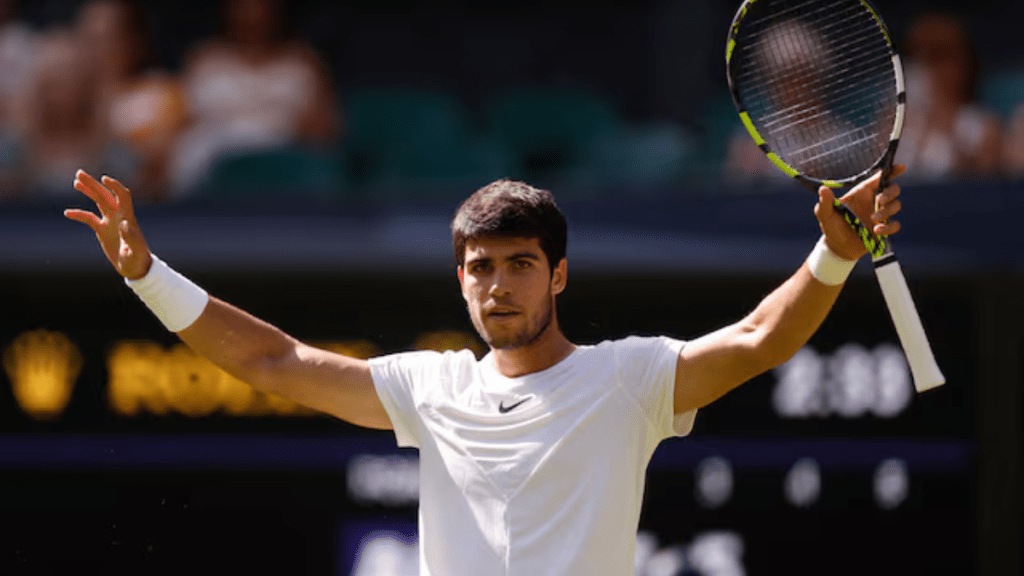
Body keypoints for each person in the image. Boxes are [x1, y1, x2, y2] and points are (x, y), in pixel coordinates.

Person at [64, 165, 904, 575]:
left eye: (520, 264)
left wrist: (832, 255)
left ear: (559, 275)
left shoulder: (629, 380)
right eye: (481, 268)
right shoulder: (431, 388)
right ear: (460, 281)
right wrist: (147, 275)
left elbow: (758, 339)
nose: (499, 285)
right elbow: (274, 360)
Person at [168, 0, 339, 197]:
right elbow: (179, 123)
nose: (252, 14)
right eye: (243, 6)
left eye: (260, 6)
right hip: (211, 159)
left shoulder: (304, 62)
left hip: (278, 160)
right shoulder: (203, 59)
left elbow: (326, 130)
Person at [76, 0, 188, 201]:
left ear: (135, 39)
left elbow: (155, 166)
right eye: (91, 40)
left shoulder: (161, 93)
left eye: (111, 39)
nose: (100, 50)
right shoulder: (62, 97)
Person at [896, 10, 1002, 180]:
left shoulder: (985, 127)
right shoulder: (892, 125)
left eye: (937, 57)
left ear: (964, 64)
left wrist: (943, 123)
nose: (924, 69)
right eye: (915, 56)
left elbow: (987, 186)